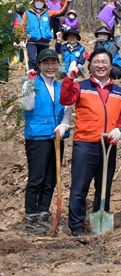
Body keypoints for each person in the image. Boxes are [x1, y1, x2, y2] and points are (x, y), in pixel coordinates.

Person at [60, 49, 121, 236]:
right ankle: (76, 225)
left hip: (109, 144)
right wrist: (69, 79)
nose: (101, 65)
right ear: (90, 65)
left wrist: (120, 128)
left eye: (104, 62)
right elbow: (65, 99)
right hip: (86, 144)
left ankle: (100, 223)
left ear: (110, 65)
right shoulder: (81, 86)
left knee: (104, 187)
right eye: (96, 62)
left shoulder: (118, 91)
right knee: (79, 187)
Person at [22, 49, 72, 234]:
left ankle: (43, 212)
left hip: (57, 137)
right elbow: (27, 106)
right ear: (39, 65)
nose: (50, 67)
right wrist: (28, 84)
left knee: (51, 179)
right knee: (37, 178)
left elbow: (67, 108)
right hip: (38, 138)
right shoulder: (31, 83)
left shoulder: (61, 86)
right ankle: (31, 217)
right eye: (46, 63)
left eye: (53, 63)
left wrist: (65, 125)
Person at [22, 0, 71, 70]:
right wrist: (23, 37)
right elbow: (23, 25)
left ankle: (39, 77)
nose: (39, 2)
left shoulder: (47, 13)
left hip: (44, 41)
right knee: (32, 60)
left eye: (41, 1)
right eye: (37, 0)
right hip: (32, 40)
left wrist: (67, 2)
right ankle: (31, 78)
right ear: (34, 1)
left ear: (44, 3)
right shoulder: (27, 12)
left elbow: (61, 12)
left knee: (41, 61)